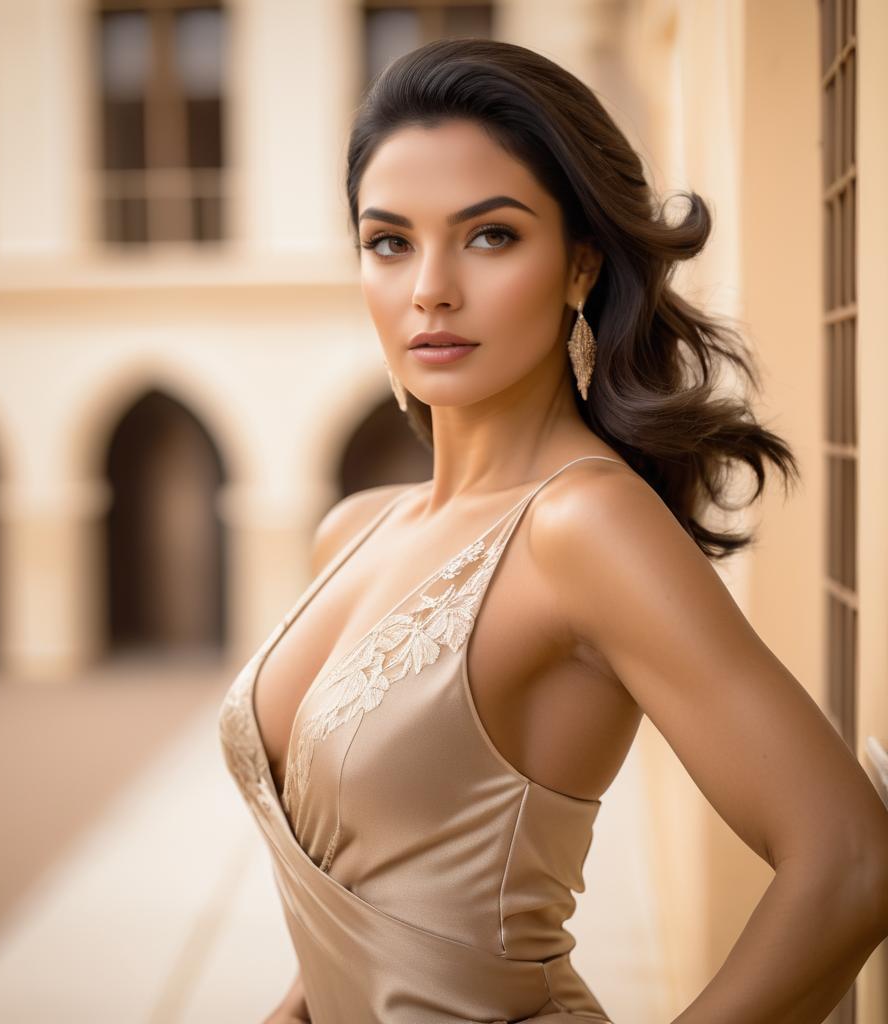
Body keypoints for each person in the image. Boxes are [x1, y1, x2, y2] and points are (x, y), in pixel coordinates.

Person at [218, 37, 888, 1024]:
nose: (428, 289)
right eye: (389, 241)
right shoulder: (353, 530)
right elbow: (363, 899)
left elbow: (849, 857)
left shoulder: (583, 525)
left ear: (579, 264)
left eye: (488, 236)